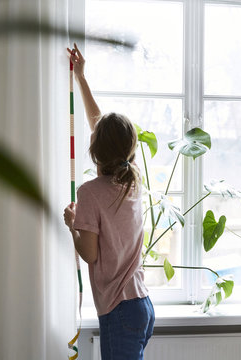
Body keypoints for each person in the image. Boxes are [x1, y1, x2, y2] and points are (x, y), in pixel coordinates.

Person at [63, 43, 155, 360]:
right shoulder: (133, 181)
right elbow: (100, 128)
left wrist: (72, 224)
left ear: (94, 149)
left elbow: (89, 253)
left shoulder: (89, 192)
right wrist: (81, 79)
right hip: (141, 305)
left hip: (118, 309)